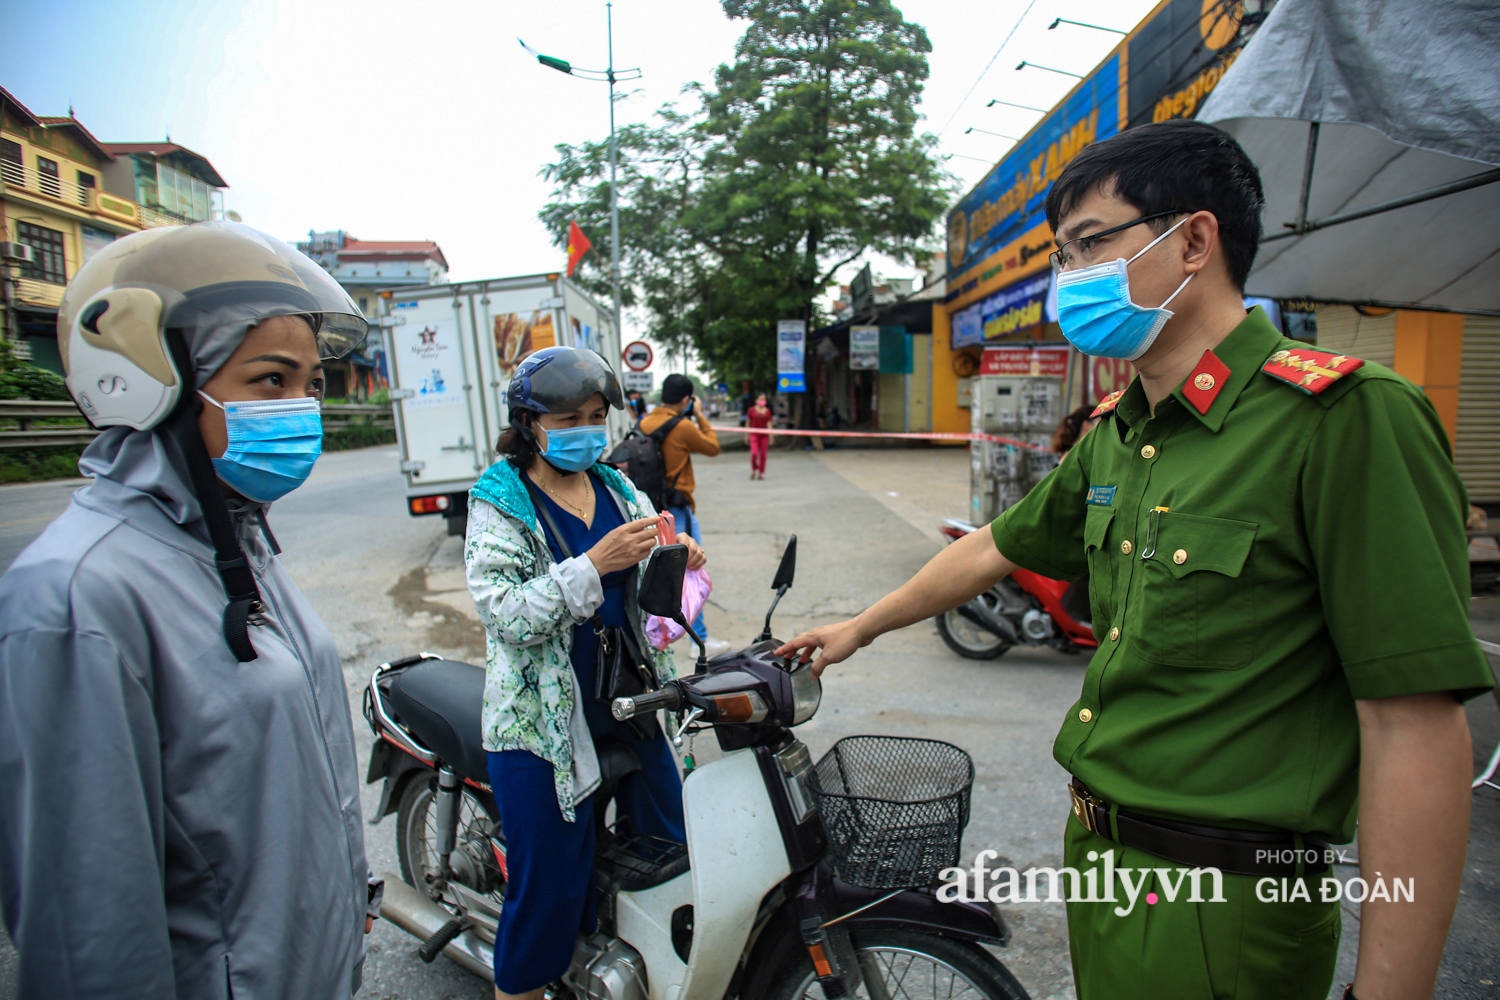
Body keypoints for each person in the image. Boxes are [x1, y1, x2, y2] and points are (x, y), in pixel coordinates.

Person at [777, 120, 1493, 1000]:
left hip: (1223, 894)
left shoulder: (1345, 419)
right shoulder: (1123, 432)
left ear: (1194, 239)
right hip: (1102, 862)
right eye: (1061, 255)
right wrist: (861, 627)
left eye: (1091, 245)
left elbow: (1413, 723)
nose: (1069, 278)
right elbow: (996, 548)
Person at [0, 222, 382, 999]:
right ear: (150, 382)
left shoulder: (235, 544)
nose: (301, 409)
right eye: (271, 381)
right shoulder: (79, 596)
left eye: (310, 384)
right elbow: (91, 934)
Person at [464, 347, 705, 998]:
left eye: (596, 416)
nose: (585, 430)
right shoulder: (500, 503)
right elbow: (506, 614)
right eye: (568, 418)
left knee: (674, 853)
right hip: (541, 729)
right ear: (530, 423)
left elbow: (647, 574)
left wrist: (675, 553)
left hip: (630, 702)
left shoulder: (616, 485)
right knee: (546, 897)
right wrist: (591, 564)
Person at [639, 373, 726, 651]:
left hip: (649, 508)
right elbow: (713, 448)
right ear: (687, 400)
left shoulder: (643, 423)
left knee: (661, 571)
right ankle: (696, 637)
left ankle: (663, 631)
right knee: (690, 573)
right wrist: (700, 415)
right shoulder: (682, 425)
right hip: (677, 508)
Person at [746, 392, 773, 479]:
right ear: (756, 400)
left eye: (764, 399)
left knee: (763, 455)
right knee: (754, 453)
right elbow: (748, 423)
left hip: (764, 436)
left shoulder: (767, 411)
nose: (762, 401)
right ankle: (754, 469)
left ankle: (761, 472)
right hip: (754, 434)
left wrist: (771, 436)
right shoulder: (751, 410)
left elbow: (769, 424)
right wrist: (746, 435)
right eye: (761, 399)